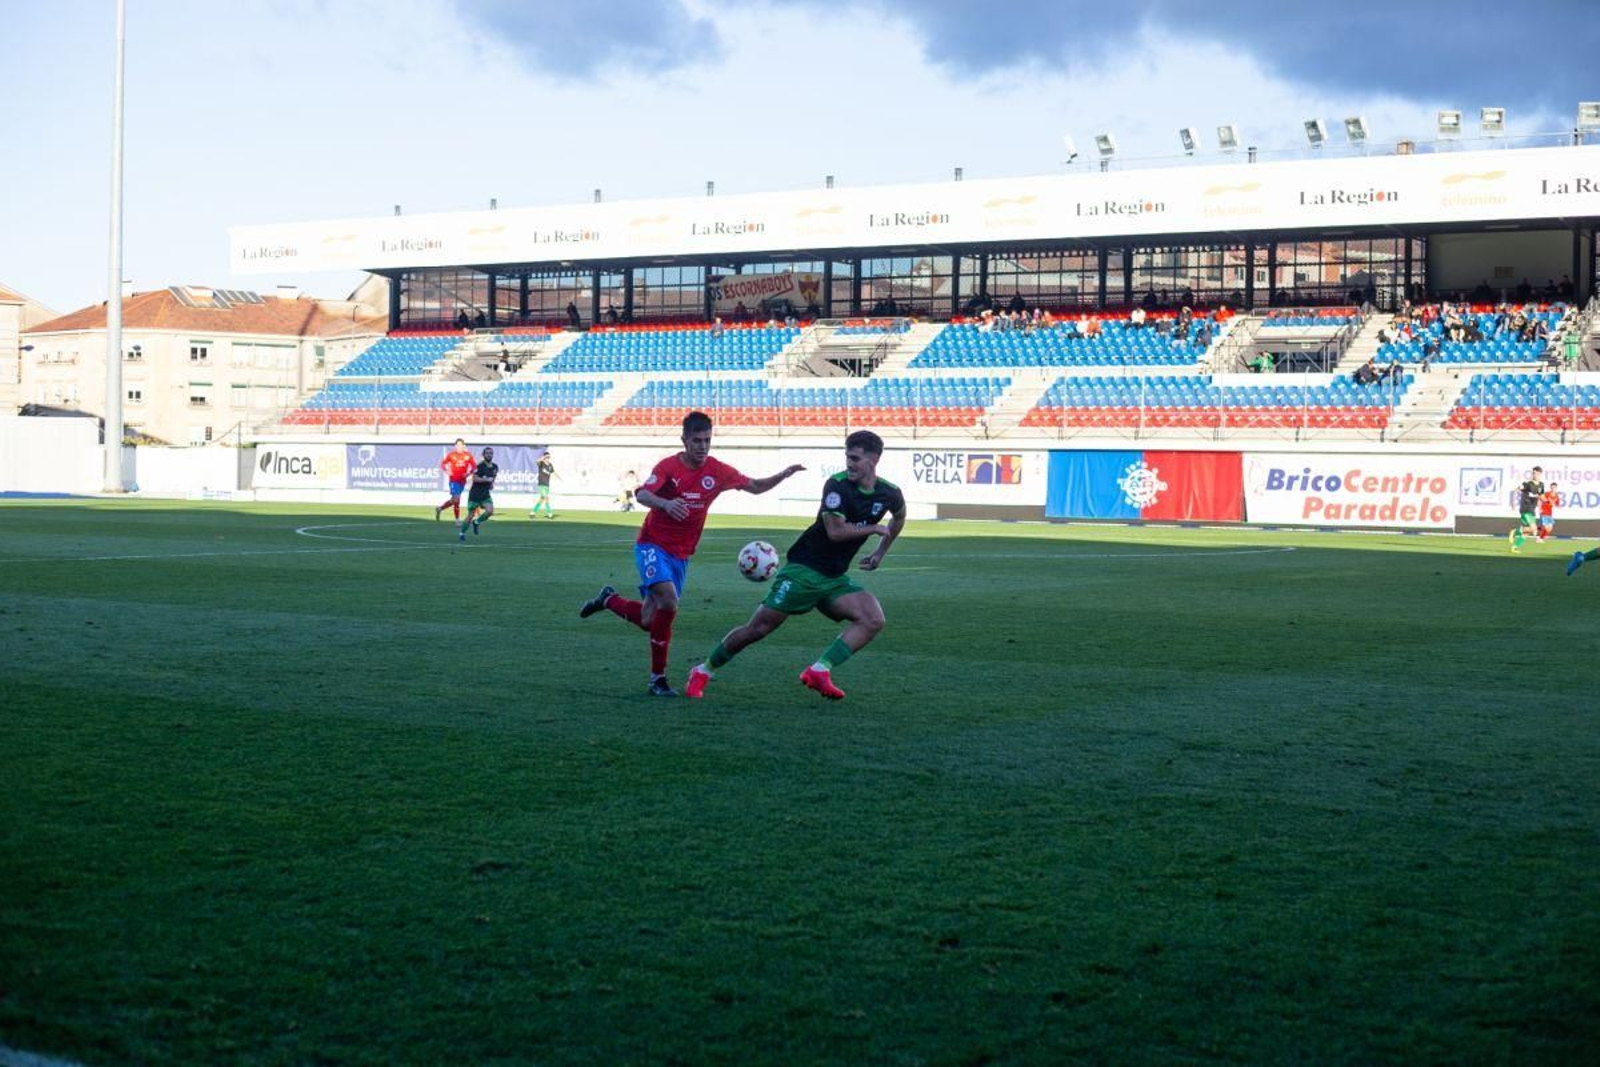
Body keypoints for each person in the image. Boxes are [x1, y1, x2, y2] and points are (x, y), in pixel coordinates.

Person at [577, 411, 804, 697]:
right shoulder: (669, 467)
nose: (702, 446)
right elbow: (643, 495)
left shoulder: (718, 471)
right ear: (684, 440)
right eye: (696, 440)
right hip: (652, 545)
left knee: (650, 620)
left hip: (681, 555)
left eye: (707, 440)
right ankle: (657, 680)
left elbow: (756, 487)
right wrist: (665, 504)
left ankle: (608, 599)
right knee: (669, 603)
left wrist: (782, 475)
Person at [686, 430, 905, 703]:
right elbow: (835, 532)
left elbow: (899, 516)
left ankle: (818, 671)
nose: (849, 463)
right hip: (804, 569)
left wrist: (879, 553)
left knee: (873, 618)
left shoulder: (889, 493)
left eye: (855, 458)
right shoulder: (837, 486)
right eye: (847, 457)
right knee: (758, 629)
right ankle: (703, 670)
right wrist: (873, 528)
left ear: (874, 460)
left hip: (834, 577)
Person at [458, 446, 499, 543]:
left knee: (490, 511)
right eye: (487, 453)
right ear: (483, 455)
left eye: (491, 453)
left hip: (485, 494)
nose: (489, 455)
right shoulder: (479, 466)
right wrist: (486, 480)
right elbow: (474, 478)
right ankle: (462, 533)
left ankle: (476, 522)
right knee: (470, 515)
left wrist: (491, 484)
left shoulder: (495, 467)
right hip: (475, 495)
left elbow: (493, 477)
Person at [436, 438, 475, 522]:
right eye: (457, 445)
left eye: (460, 445)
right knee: (457, 499)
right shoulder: (451, 455)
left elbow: (474, 467)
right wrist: (447, 471)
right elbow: (443, 464)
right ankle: (457, 520)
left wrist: (468, 474)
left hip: (462, 481)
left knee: (454, 500)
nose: (459, 447)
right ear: (455, 446)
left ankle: (440, 508)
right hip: (453, 480)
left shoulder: (468, 455)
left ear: (463, 446)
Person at [1508, 466, 1544, 552]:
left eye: (1537, 473)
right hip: (1525, 508)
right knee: (1533, 528)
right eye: (1534, 473)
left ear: (1540, 474)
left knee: (1526, 533)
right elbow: (1515, 490)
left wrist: (1540, 506)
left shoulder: (1541, 485)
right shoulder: (1527, 484)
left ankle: (1514, 547)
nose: (1535, 475)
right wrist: (1512, 502)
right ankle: (1515, 531)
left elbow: (1540, 496)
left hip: (1532, 510)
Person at [529, 449, 556, 520]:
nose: (547, 459)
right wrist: (543, 458)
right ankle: (549, 514)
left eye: (548, 457)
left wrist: (559, 478)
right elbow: (537, 461)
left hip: (547, 485)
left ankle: (532, 513)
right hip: (541, 484)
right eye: (546, 457)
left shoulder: (550, 465)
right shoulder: (541, 464)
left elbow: (553, 472)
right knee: (546, 498)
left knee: (541, 499)